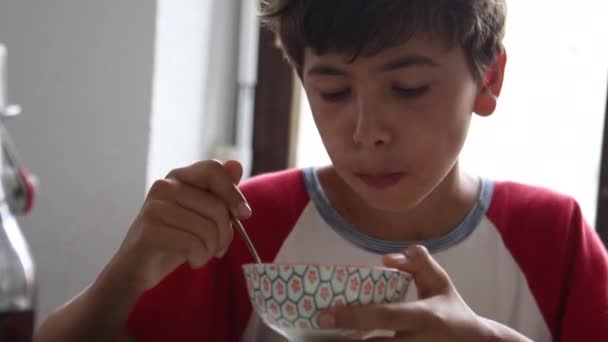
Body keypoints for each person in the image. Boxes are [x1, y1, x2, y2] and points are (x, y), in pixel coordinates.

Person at [35, 1, 608, 341]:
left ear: (488, 80)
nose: (366, 131)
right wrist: (126, 272)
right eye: (332, 91)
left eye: (408, 88)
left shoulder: (552, 238)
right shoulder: (246, 228)